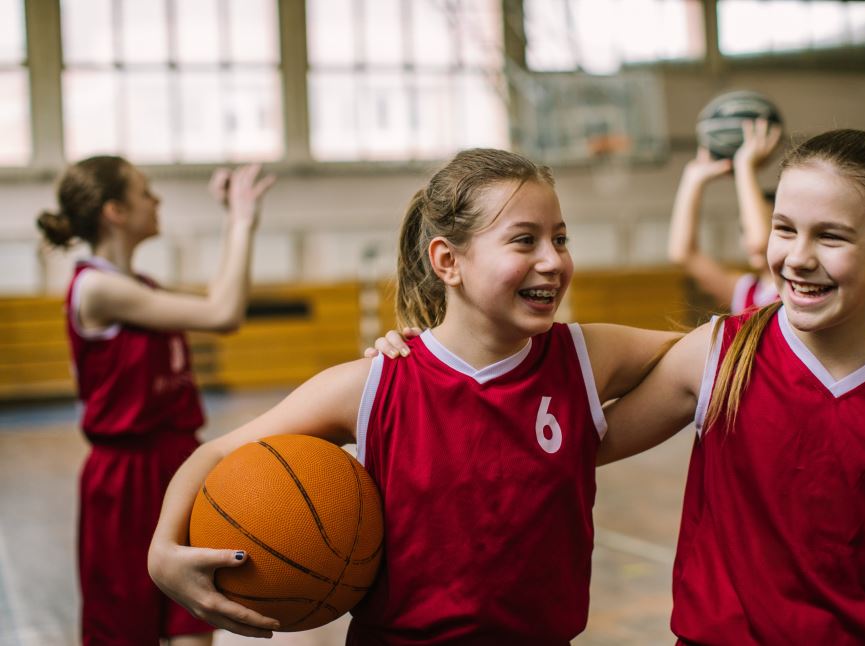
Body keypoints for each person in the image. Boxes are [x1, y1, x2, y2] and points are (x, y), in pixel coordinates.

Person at [146, 148, 683, 644]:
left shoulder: (584, 357)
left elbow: (709, 354)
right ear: (448, 261)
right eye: (525, 240)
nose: (553, 260)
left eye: (560, 239)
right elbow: (214, 453)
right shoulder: (378, 381)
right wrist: (163, 554)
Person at [600, 130, 865, 644]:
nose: (798, 256)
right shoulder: (721, 357)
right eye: (784, 229)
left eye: (831, 236)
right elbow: (581, 445)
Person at [36, 157, 275, 646]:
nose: (157, 201)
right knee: (124, 631)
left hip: (179, 463)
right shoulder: (97, 288)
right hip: (125, 476)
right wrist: (241, 220)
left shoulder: (140, 287)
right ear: (115, 211)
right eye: (145, 192)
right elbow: (223, 311)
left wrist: (235, 220)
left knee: (195, 620)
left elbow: (218, 305)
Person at [668, 118, 783, 313]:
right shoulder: (746, 291)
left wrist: (745, 166)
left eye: (764, 223)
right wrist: (692, 179)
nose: (749, 237)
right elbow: (683, 253)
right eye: (742, 229)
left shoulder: (794, 289)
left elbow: (760, 242)